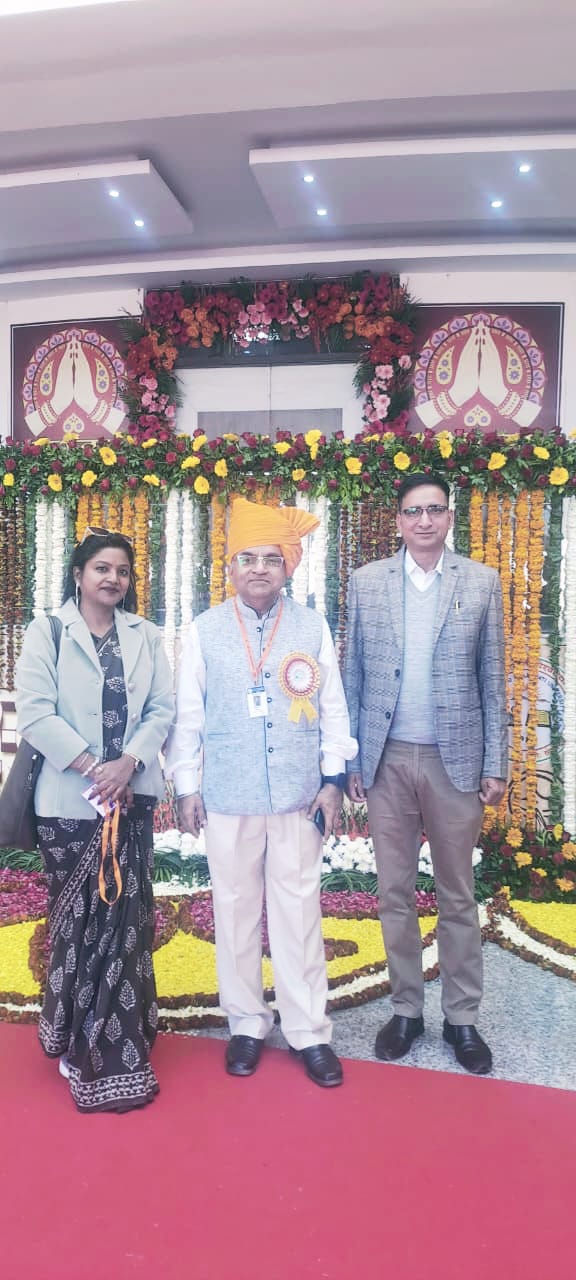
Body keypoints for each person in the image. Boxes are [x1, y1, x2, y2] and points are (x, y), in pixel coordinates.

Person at [166, 497, 357, 1087]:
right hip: (228, 794)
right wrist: (187, 786)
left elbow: (332, 709)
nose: (258, 569)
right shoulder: (204, 630)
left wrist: (332, 781)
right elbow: (188, 716)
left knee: (299, 911)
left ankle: (309, 1031)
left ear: (287, 568)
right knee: (235, 910)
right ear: (229, 566)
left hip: (300, 797)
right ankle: (247, 1024)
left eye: (271, 559)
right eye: (247, 558)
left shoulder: (311, 626)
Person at [343, 473, 507, 1074]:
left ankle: (462, 1018)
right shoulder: (366, 583)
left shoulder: (480, 582)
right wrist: (352, 760)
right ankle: (406, 1010)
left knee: (457, 894)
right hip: (387, 761)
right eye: (413, 511)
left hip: (455, 761)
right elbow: (353, 674)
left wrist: (496, 763)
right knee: (394, 892)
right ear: (398, 521)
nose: (424, 520)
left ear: (449, 517)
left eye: (435, 509)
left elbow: (493, 677)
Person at [16, 527, 174, 1113]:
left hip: (131, 799)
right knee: (80, 922)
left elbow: (162, 709)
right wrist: (94, 768)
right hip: (68, 803)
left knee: (126, 921)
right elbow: (35, 713)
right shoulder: (48, 631)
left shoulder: (146, 635)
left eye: (122, 571)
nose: (113, 579)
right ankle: (74, 1035)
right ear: (79, 574)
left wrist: (127, 764)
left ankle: (119, 1040)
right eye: (102, 568)